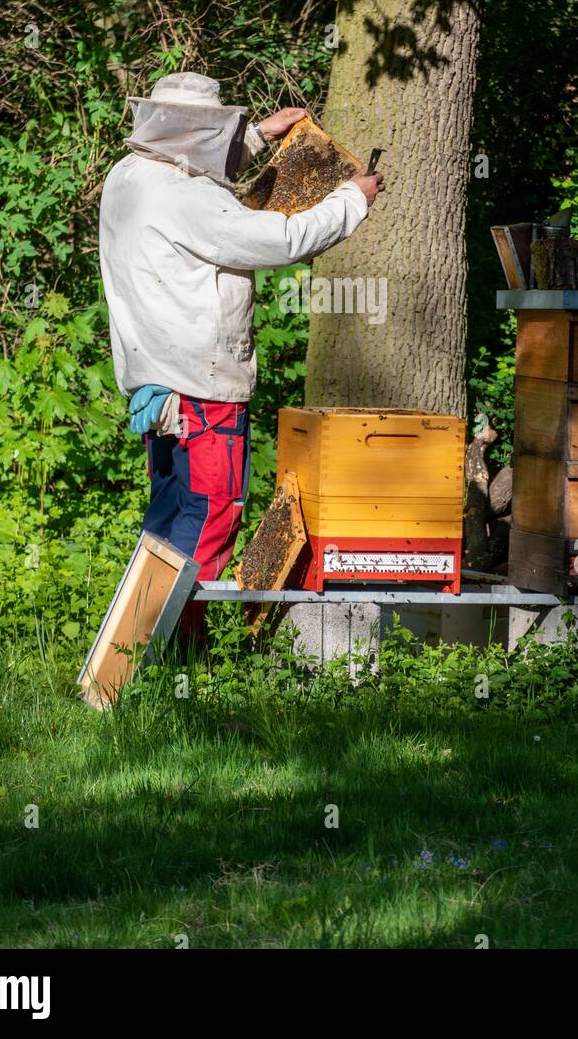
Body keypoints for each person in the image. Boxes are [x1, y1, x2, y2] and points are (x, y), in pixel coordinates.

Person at [98, 71, 384, 640]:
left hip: (158, 388)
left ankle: (138, 649)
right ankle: (159, 654)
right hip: (203, 391)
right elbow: (279, 240)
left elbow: (191, 166)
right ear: (195, 128)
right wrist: (353, 199)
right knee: (209, 518)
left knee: (168, 520)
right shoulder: (188, 198)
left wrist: (257, 136)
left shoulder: (128, 176)